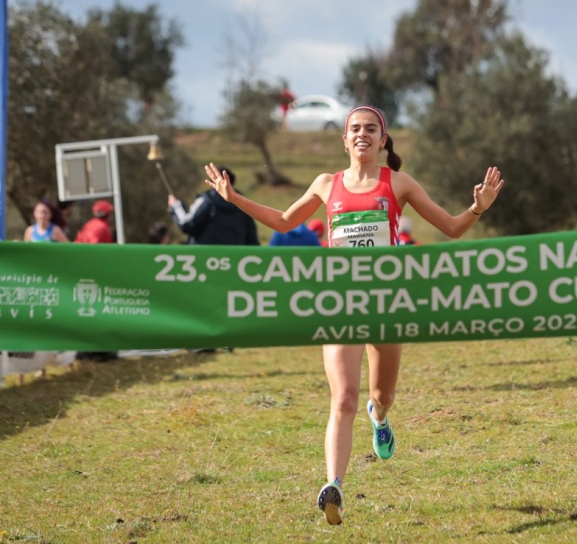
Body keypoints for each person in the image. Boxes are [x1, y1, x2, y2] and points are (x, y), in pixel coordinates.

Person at [202, 104, 504, 526]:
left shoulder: (398, 183)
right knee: (341, 397)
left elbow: (451, 228)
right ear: (345, 140)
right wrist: (233, 198)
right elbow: (285, 222)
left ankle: (379, 418)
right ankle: (334, 486)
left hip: (386, 304)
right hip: (340, 303)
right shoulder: (327, 184)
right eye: (354, 129)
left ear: (383, 141)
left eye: (371, 129)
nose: (362, 134)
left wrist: (478, 209)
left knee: (381, 395)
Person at [167, 166, 259, 246]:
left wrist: (176, 206)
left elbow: (187, 224)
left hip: (205, 260)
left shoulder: (206, 201)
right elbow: (252, 240)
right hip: (235, 262)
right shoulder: (243, 205)